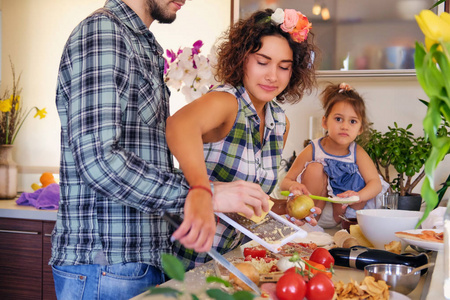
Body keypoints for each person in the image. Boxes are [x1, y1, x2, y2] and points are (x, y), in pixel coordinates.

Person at [50, 0, 270, 298]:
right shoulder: (104, 33)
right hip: (106, 265)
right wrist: (204, 193)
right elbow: (99, 162)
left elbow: (142, 158)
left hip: (136, 261)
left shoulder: (140, 42)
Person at [166, 8, 320, 270]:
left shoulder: (280, 122)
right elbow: (178, 125)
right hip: (186, 262)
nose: (273, 76)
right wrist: (203, 190)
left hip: (228, 262)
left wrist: (285, 208)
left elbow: (247, 202)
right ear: (242, 59)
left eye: (284, 67)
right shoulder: (226, 102)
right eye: (263, 62)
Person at [281, 82, 387, 229]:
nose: (345, 126)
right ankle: (310, 224)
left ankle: (347, 227)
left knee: (361, 185)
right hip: (314, 211)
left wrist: (357, 196)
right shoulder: (313, 148)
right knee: (315, 168)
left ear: (360, 128)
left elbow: (375, 184)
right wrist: (294, 186)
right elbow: (285, 181)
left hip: (344, 214)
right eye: (338, 119)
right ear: (325, 122)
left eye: (352, 121)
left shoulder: (357, 152)